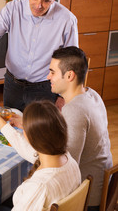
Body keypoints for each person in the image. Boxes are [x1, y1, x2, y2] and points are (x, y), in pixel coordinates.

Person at [0, 100, 81, 210]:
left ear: (32, 138)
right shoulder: (67, 159)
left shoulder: (38, 187)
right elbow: (23, 146)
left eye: (25, 127)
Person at [47, 46, 112, 210]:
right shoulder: (92, 94)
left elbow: (66, 165)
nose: (48, 77)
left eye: (52, 72)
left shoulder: (75, 109)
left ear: (69, 75)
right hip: (103, 182)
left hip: (87, 197)